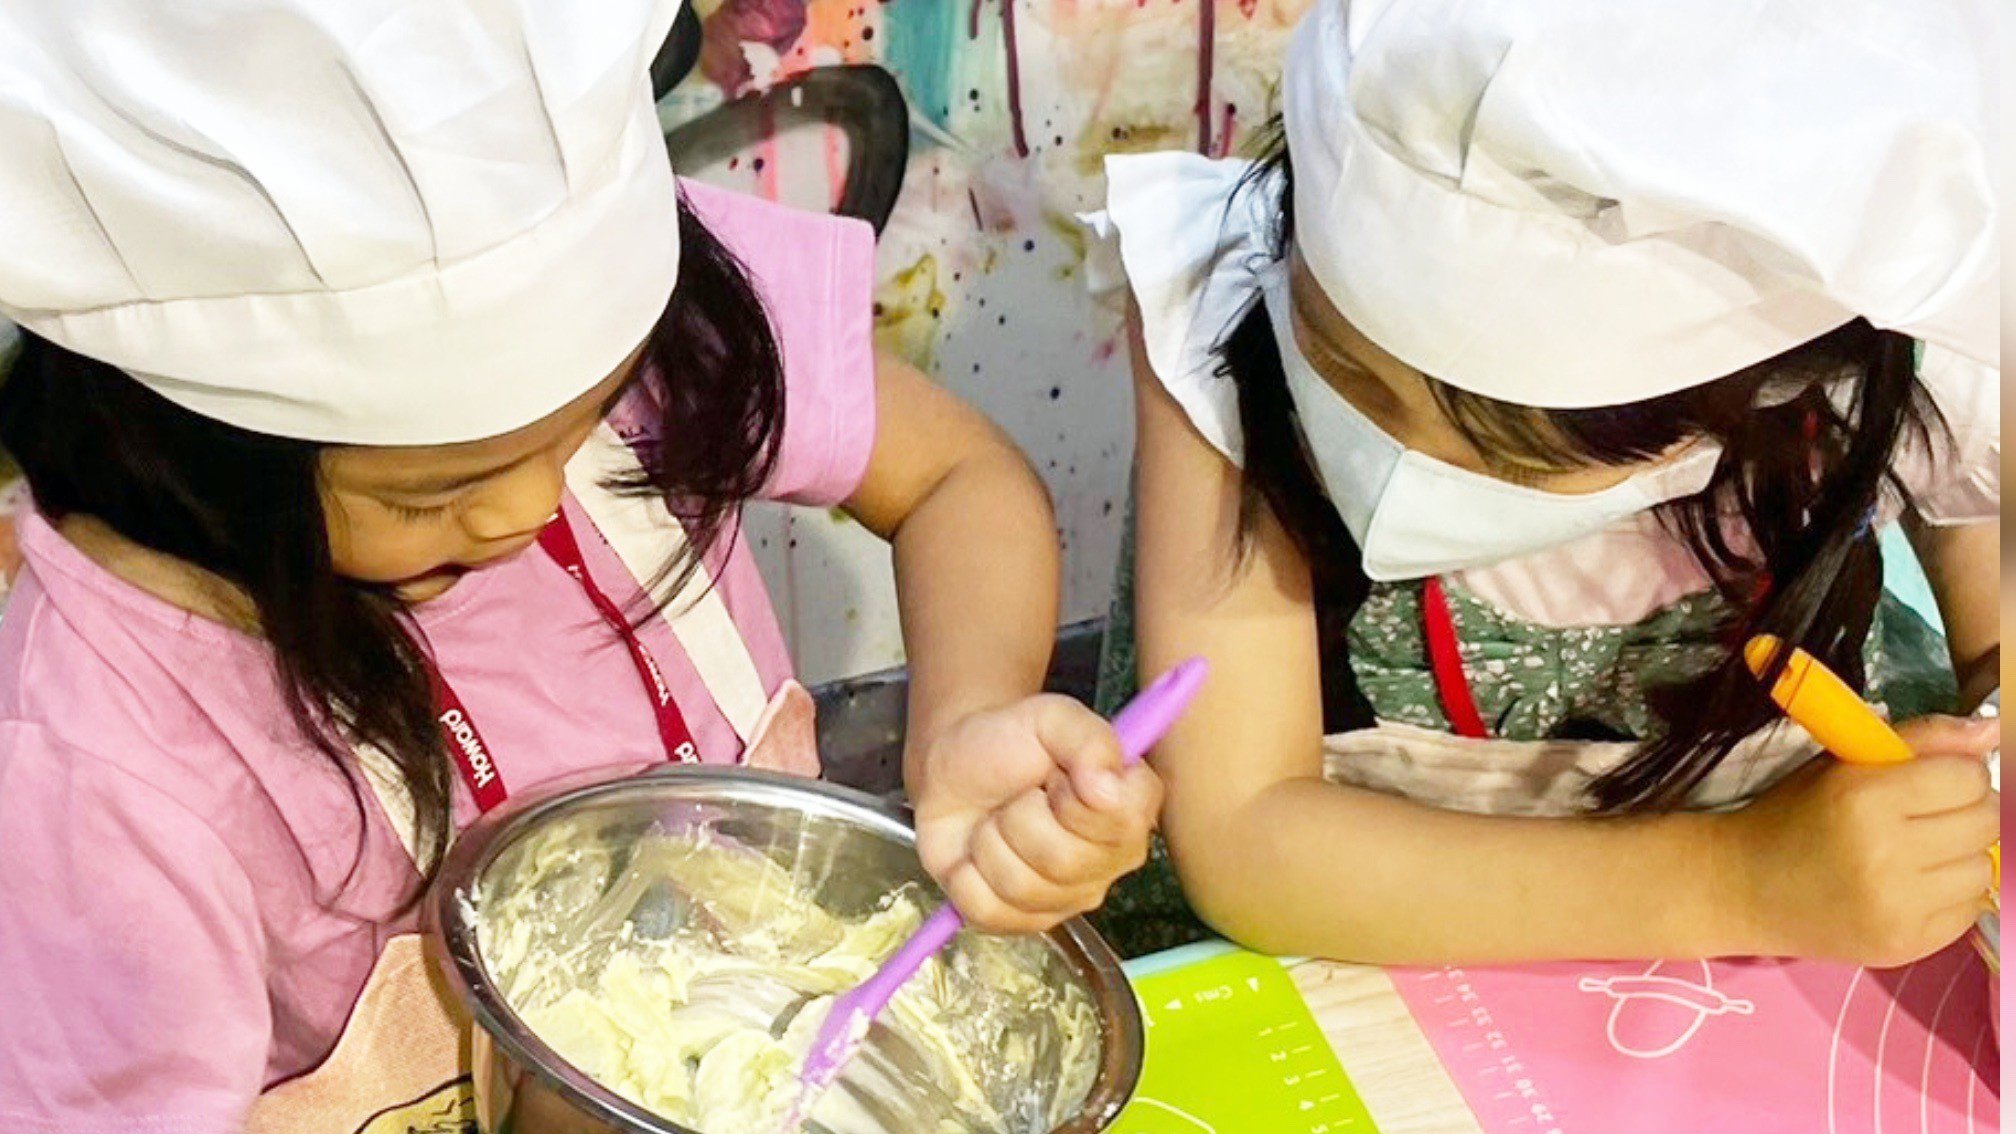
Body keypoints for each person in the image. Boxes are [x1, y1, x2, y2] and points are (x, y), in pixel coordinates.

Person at [0, 3, 1160, 1129]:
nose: (535, 504)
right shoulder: (102, 771)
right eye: (434, 492)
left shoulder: (641, 313)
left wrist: (967, 723)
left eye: (592, 419)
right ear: (191, 454)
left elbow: (959, 481)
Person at [1100, 0, 1999, 967]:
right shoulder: (1225, 313)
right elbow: (1246, 841)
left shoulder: (1903, 354)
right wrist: (1738, 881)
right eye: (1343, 362)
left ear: (1727, 412)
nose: (1389, 452)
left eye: (1506, 449)